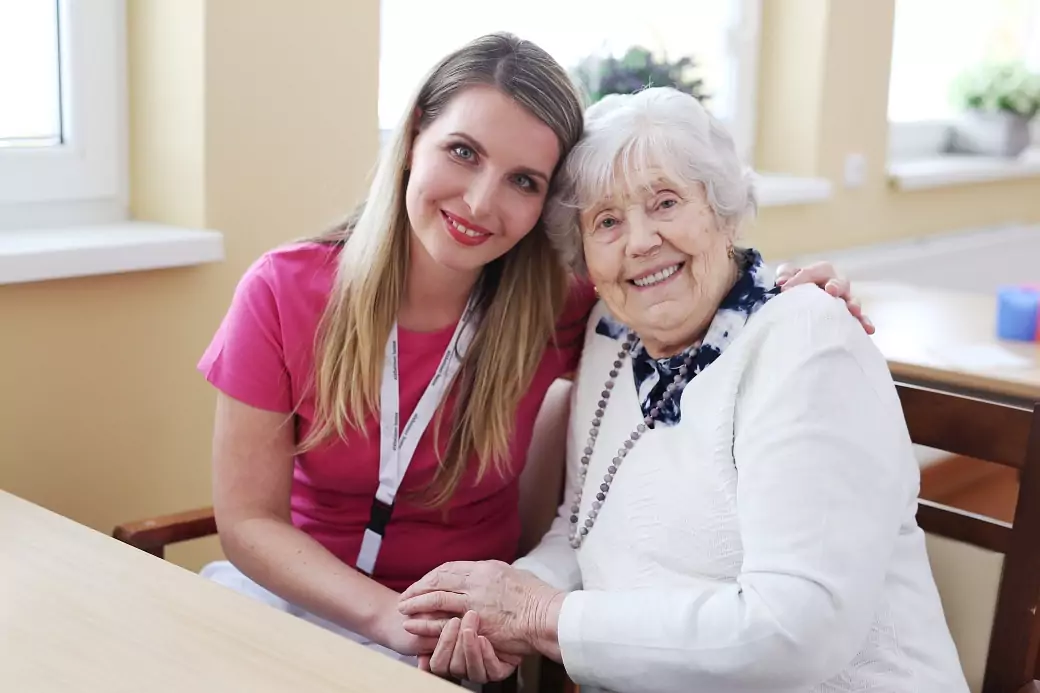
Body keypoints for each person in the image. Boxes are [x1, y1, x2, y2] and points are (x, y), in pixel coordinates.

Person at [197, 32, 868, 672]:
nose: (479, 201)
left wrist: (783, 295)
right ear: (414, 135)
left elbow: (681, 285)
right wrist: (384, 617)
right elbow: (249, 519)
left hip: (456, 637)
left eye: (523, 181)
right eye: (463, 151)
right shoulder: (282, 290)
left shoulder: (563, 304)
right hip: (298, 606)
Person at [398, 86, 969, 693]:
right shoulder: (612, 333)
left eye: (665, 203)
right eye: (607, 221)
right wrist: (492, 613)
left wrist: (543, 616)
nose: (640, 241)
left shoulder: (806, 341)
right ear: (583, 253)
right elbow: (582, 528)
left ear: (723, 212)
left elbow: (797, 630)